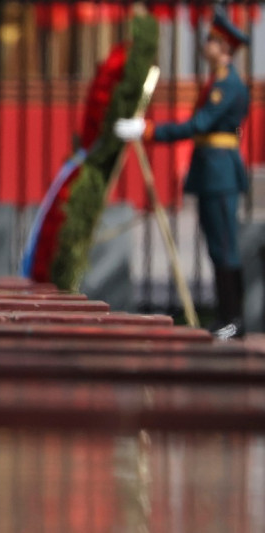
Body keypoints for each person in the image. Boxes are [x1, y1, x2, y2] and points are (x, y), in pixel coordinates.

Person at [114, 7, 249, 340]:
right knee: (217, 247)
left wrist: (147, 131)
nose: (206, 46)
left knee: (225, 247)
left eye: (211, 41)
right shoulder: (216, 82)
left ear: (225, 49)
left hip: (220, 173)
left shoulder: (227, 85)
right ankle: (226, 316)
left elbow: (198, 125)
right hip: (210, 170)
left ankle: (235, 318)